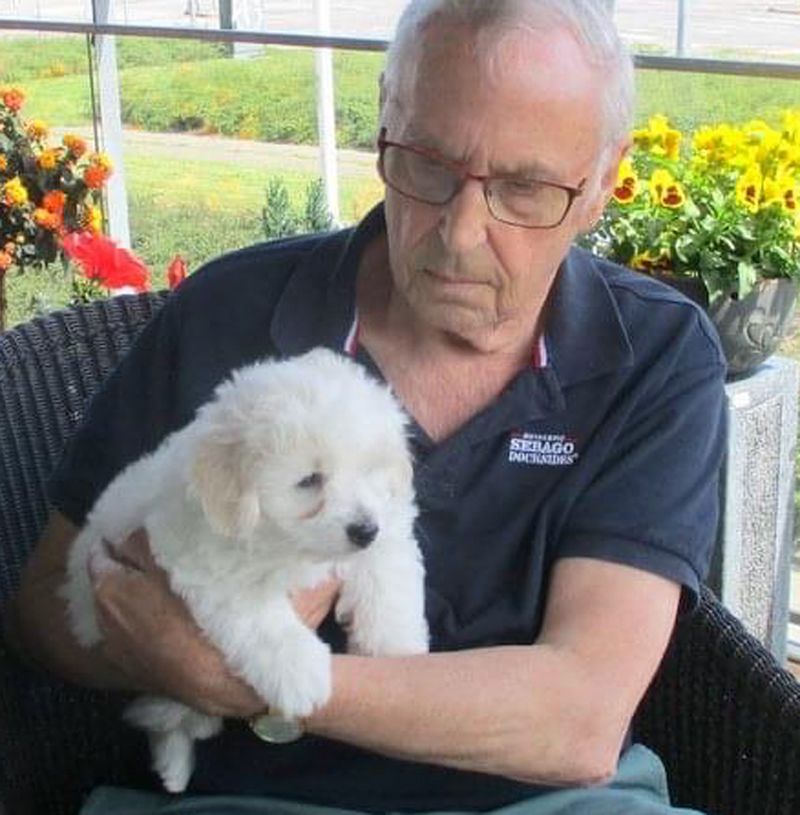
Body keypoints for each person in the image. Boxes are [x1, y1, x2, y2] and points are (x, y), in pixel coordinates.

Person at [7, 1, 727, 813]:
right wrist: (151, 644)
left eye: (525, 189)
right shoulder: (229, 313)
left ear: (601, 183)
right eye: (425, 164)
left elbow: (580, 717)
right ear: (384, 121)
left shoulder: (651, 355)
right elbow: (40, 610)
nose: (459, 232)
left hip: (547, 801)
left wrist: (253, 674)